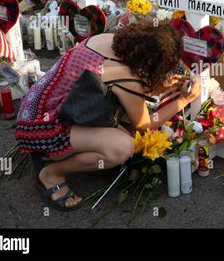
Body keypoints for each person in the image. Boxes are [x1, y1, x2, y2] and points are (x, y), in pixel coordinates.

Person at [15, 21, 201, 211]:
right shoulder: (127, 77)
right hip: (43, 129)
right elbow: (144, 124)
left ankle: (54, 155)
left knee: (118, 138)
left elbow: (109, 82)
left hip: (35, 110)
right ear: (151, 63)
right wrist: (184, 100)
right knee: (122, 147)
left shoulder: (106, 40)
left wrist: (157, 84)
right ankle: (51, 172)